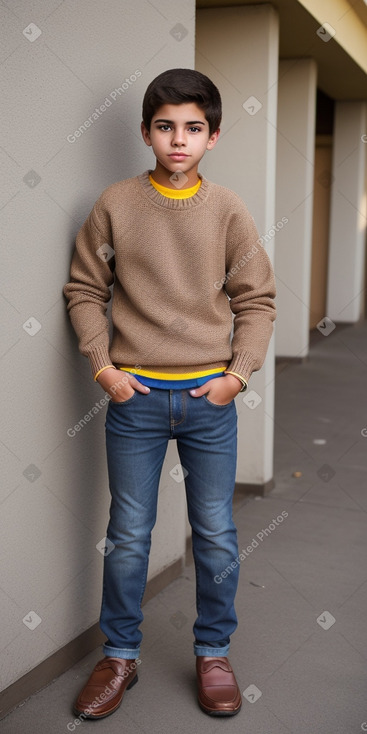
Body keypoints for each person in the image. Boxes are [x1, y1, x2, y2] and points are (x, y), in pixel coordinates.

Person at [63, 67, 276, 720]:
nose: (177, 139)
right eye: (165, 127)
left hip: (208, 403)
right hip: (136, 401)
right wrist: (103, 369)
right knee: (128, 534)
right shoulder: (115, 204)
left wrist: (236, 375)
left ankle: (213, 651)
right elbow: (84, 291)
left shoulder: (228, 210)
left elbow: (256, 300)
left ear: (212, 136)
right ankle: (119, 656)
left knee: (213, 532)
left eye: (191, 128)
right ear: (146, 133)